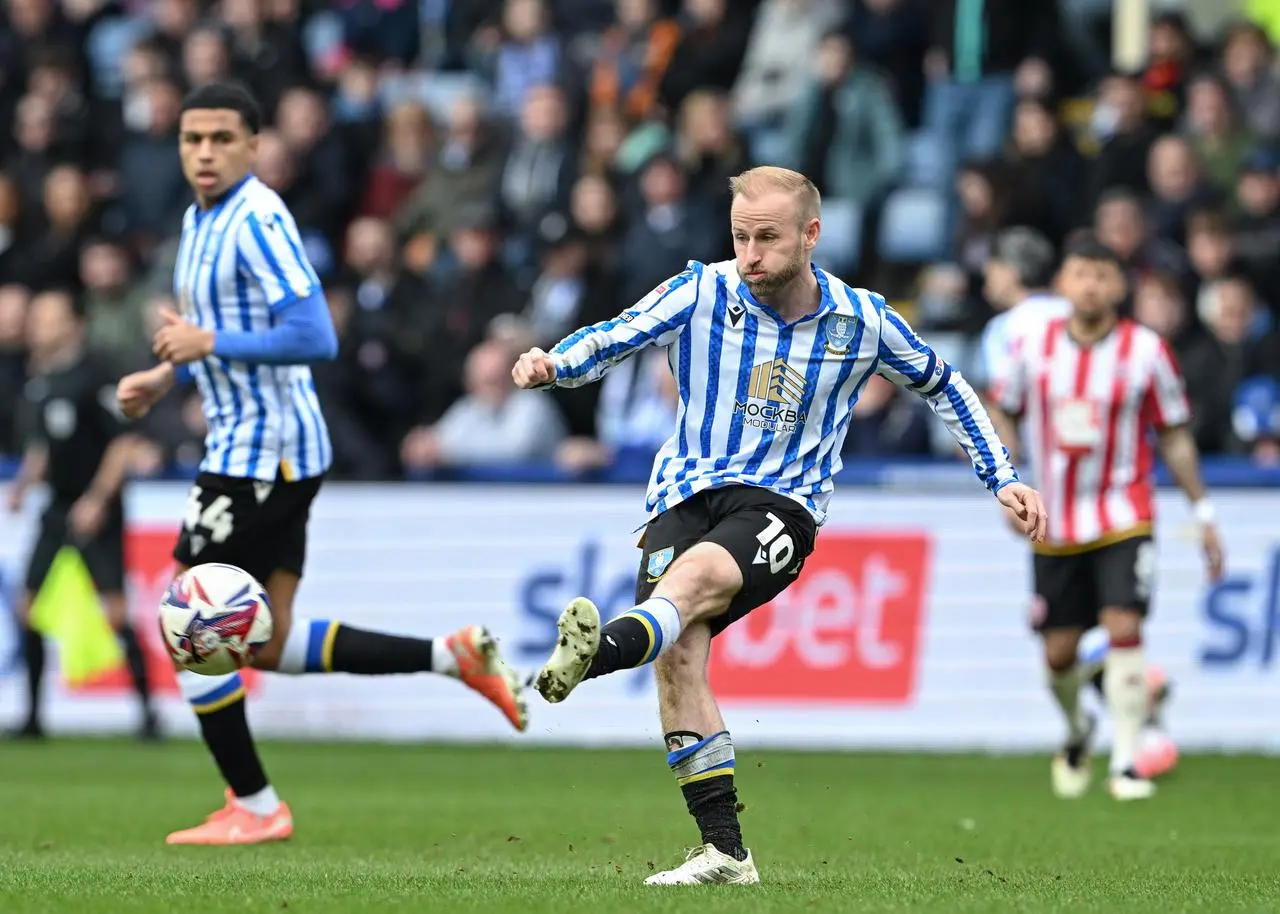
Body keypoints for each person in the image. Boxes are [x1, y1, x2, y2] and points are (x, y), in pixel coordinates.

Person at [511, 165, 1048, 885]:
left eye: (768, 237)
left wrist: (1002, 476)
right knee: (678, 656)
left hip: (781, 505)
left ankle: (595, 653)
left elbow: (943, 385)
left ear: (811, 235)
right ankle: (726, 853)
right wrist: (554, 364)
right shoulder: (702, 290)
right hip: (684, 491)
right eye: (741, 235)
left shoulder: (862, 321)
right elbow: (614, 337)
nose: (752, 252)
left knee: (691, 582)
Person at [114, 82, 528, 846]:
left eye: (221, 138)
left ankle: (256, 804)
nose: (204, 152)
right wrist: (167, 371)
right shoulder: (197, 220)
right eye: (191, 138)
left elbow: (314, 335)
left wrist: (209, 347)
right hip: (265, 445)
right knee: (266, 642)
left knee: (189, 617)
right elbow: (218, 329)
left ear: (253, 145)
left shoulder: (259, 217)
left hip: (261, 450)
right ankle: (454, 656)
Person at [988, 233, 1224, 802]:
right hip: (1056, 519)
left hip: (1125, 513)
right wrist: (1008, 479)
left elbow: (1174, 436)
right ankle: (1077, 729)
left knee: (1124, 626)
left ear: (1120, 286)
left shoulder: (1145, 351)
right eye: (1080, 274)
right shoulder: (1031, 346)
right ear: (1063, 283)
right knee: (1059, 654)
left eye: (1102, 275)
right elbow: (1000, 406)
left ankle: (1126, 762)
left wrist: (1204, 510)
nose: (1091, 285)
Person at [7, 288, 157, 741]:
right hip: (56, 506)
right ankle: (34, 717)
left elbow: (122, 441)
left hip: (98, 508)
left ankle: (149, 715)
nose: (37, 325)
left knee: (114, 613)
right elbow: (43, 447)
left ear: (73, 324)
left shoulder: (95, 375)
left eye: (48, 317)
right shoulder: (39, 381)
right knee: (26, 609)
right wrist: (23, 485)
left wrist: (97, 499)